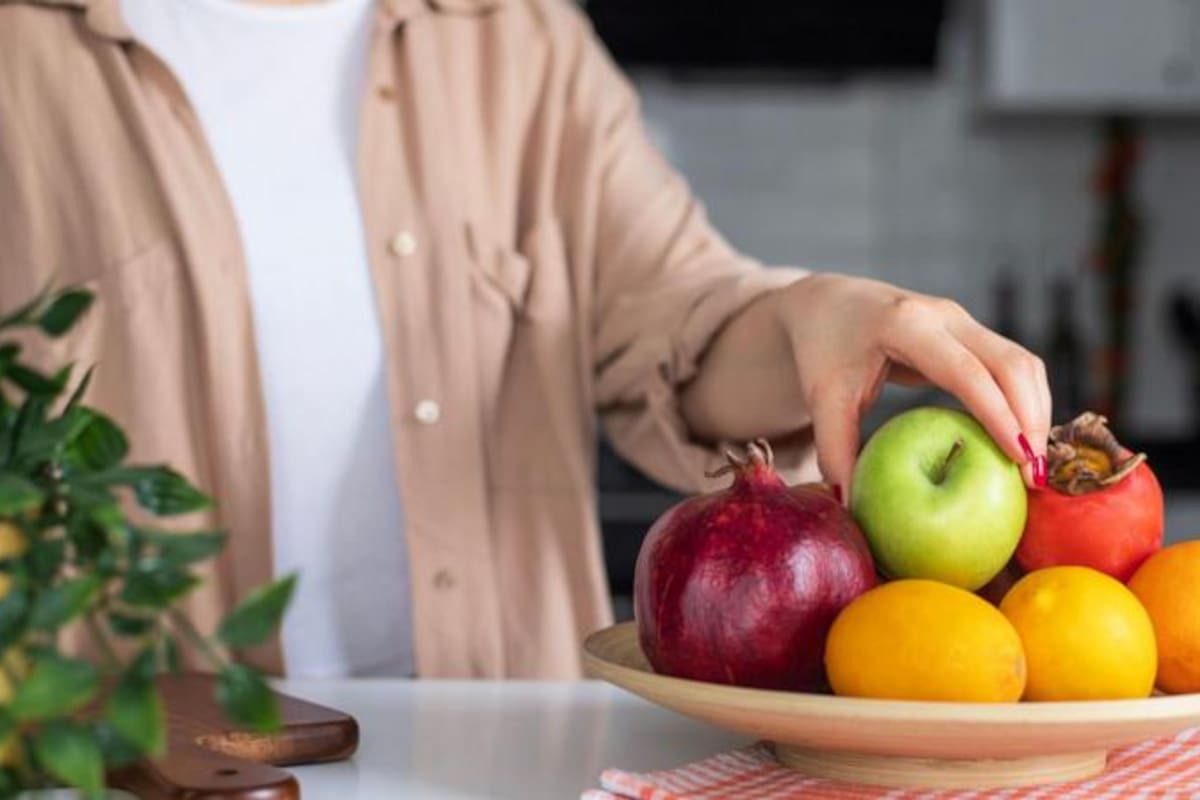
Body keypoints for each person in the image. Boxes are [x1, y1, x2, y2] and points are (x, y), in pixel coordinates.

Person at [0, 0, 1050, 680]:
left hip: (496, 760)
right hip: (118, 759)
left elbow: (677, 312)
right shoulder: (26, 49)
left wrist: (813, 315)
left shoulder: (517, 33)